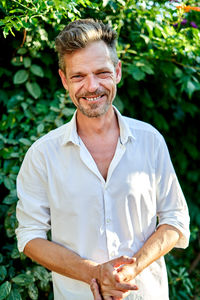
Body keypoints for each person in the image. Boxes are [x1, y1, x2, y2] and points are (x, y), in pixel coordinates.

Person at [16, 19, 190, 300]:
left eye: (101, 72)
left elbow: (175, 220)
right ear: (63, 80)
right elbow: (29, 236)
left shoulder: (151, 141)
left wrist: (130, 270)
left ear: (118, 71)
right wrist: (93, 273)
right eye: (78, 76)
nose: (92, 86)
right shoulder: (41, 154)